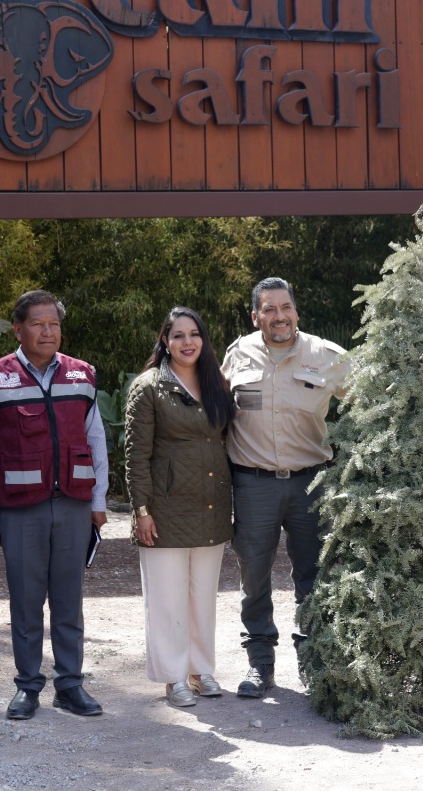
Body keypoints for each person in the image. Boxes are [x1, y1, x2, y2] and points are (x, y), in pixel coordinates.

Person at [0, 290, 109, 721]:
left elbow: (97, 439)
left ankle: (71, 685)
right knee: (26, 602)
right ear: (18, 329)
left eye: (54, 324)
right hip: (19, 509)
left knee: (69, 600)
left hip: (72, 505)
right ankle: (27, 686)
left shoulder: (81, 375)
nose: (47, 332)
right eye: (37, 324)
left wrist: (99, 500)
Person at [221, 276, 350, 698]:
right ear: (255, 315)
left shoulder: (328, 356)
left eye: (285, 307)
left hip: (311, 482)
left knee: (313, 575)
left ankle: (315, 666)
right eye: (269, 309)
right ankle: (261, 666)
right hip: (253, 484)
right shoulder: (236, 354)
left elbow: (370, 403)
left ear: (296, 310)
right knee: (253, 577)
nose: (279, 316)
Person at [125, 307, 236, 708]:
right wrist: (141, 511)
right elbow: (136, 455)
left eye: (194, 334)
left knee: (203, 596)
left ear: (203, 340)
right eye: (178, 336)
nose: (187, 342)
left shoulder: (217, 384)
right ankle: (174, 678)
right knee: (168, 598)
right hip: (165, 509)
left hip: (211, 504)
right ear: (165, 342)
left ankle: (201, 669)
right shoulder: (149, 386)